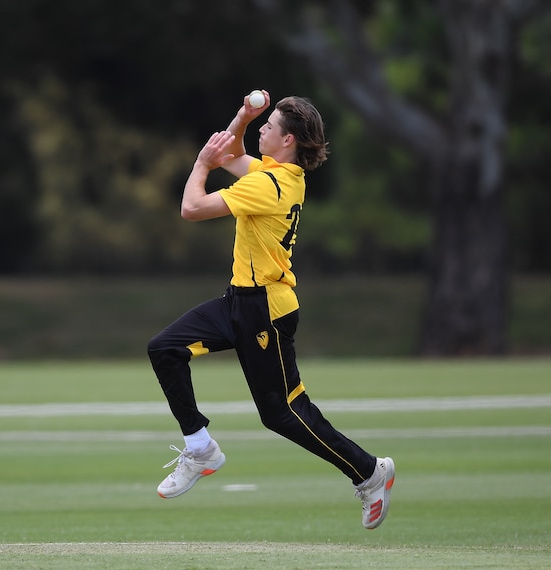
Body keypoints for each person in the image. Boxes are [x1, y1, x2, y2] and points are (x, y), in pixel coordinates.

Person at [147, 91, 395, 530]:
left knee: (282, 413)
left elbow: (191, 208)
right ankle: (201, 447)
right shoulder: (281, 173)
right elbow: (235, 154)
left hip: (266, 310)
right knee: (165, 348)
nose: (263, 130)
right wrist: (245, 116)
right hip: (237, 301)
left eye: (270, 126)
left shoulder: (267, 184)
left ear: (288, 141)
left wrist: (201, 165)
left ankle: (369, 472)